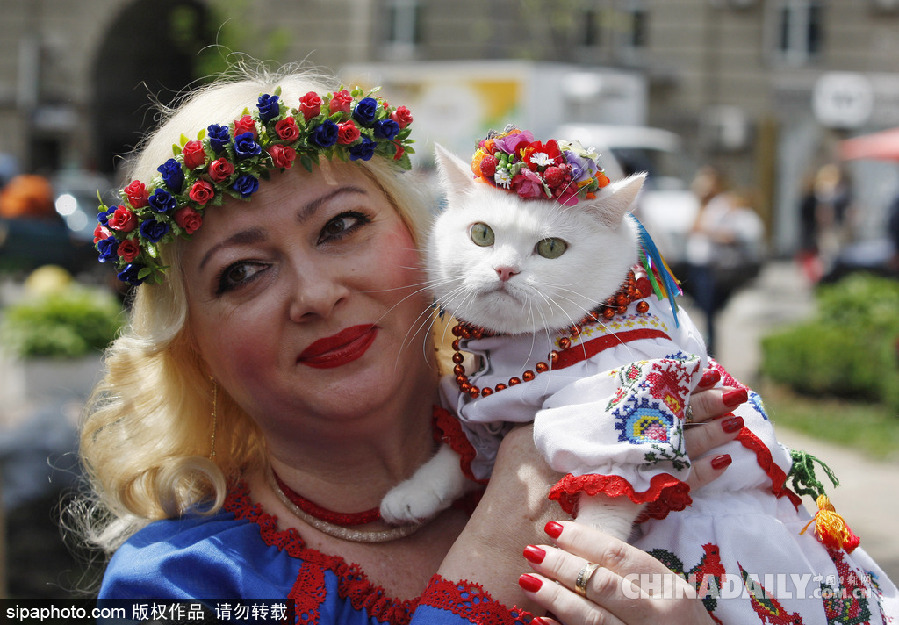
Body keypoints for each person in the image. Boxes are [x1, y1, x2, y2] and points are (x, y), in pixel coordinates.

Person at [77, 66, 754, 624]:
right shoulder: (175, 587)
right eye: (241, 273)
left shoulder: (645, 434)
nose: (314, 293)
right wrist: (499, 536)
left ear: (420, 233)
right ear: (193, 346)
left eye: (341, 225)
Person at [685, 166, 763, 356]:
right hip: (698, 264)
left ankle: (710, 351)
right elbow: (693, 228)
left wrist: (709, 232)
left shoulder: (724, 204)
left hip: (713, 266)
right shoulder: (703, 204)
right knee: (704, 311)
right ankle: (706, 348)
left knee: (709, 312)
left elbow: (728, 232)